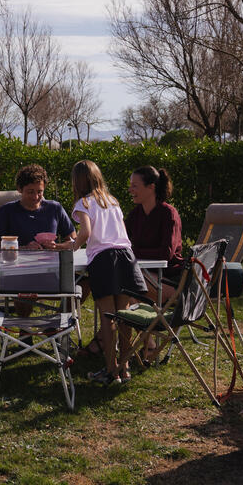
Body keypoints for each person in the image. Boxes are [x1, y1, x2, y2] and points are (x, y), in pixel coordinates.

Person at [68, 159, 145, 386]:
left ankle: (111, 370)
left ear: (77, 181)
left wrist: (71, 248)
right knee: (125, 316)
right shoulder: (112, 201)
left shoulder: (83, 202)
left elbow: (85, 233)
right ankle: (125, 366)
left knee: (108, 318)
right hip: (126, 256)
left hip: (104, 260)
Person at [126, 165, 183, 303]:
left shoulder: (169, 214)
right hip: (146, 275)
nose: (130, 190)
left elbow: (166, 253)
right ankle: (123, 323)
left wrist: (132, 253)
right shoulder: (135, 214)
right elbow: (120, 239)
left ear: (151, 187)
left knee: (125, 277)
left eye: (135, 186)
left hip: (170, 280)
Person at [0, 164, 76, 250]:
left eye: (39, 192)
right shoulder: (7, 211)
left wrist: (57, 246)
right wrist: (24, 248)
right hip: (18, 263)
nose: (35, 197)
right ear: (19, 189)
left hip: (50, 263)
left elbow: (74, 242)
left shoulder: (55, 209)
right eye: (30, 192)